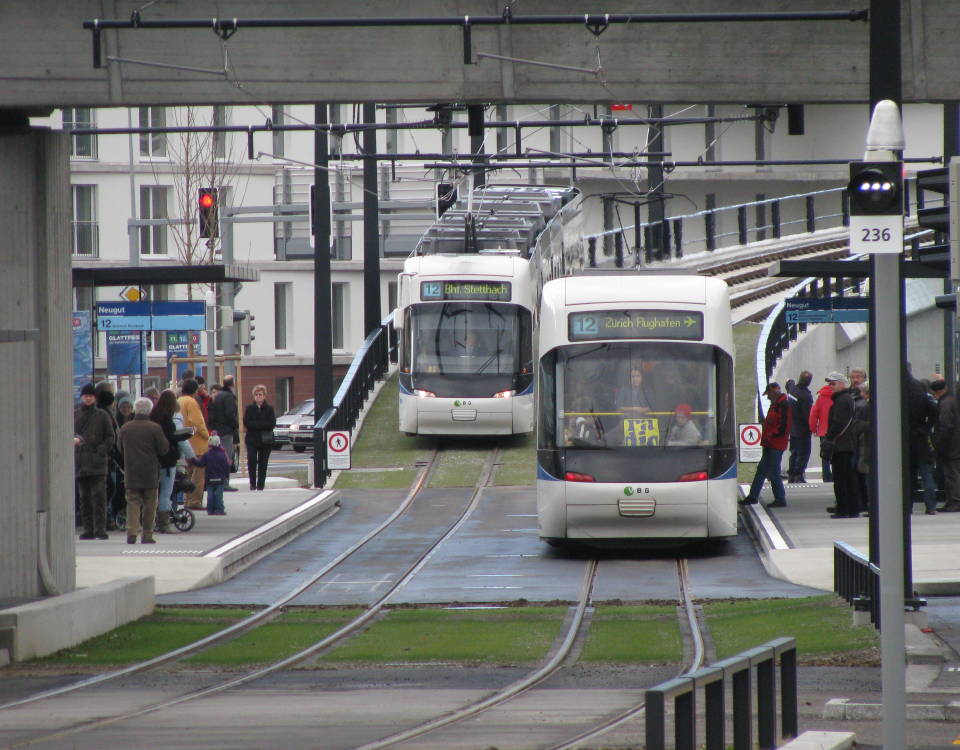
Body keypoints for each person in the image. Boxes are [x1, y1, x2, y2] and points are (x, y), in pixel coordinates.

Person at [118, 397, 169, 544]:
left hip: (131, 471)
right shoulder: (155, 428)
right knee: (150, 504)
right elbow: (163, 449)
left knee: (132, 502)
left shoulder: (125, 428)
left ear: (135, 409)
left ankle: (132, 531)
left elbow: (120, 448)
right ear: (150, 410)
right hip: (150, 472)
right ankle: (147, 534)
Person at [74, 382, 115, 540]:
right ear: (82, 397)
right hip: (81, 462)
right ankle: (88, 529)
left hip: (97, 464)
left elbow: (111, 436)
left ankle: (100, 529)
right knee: (84, 499)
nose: (88, 398)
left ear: (95, 398)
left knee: (99, 497)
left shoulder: (102, 415)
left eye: (91, 396)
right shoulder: (76, 414)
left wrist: (101, 451)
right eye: (86, 396)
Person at [742, 382, 791, 508]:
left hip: (775, 443)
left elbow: (784, 426)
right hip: (770, 443)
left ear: (773, 392)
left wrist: (771, 435)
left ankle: (780, 498)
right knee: (762, 469)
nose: (767, 397)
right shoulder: (777, 404)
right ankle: (753, 496)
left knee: (773, 470)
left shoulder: (783, 405)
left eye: (768, 394)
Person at [150, 389, 193, 533]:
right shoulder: (167, 419)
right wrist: (184, 436)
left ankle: (150, 520)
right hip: (167, 461)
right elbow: (171, 437)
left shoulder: (153, 416)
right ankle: (163, 523)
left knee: (152, 491)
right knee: (165, 493)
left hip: (153, 460)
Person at [824, 372, 861, 518]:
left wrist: (829, 437)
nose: (830, 387)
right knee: (849, 478)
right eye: (829, 384)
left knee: (841, 478)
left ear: (841, 383)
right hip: (848, 443)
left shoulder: (841, 400)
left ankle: (844, 509)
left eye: (833, 384)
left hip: (841, 444)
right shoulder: (848, 399)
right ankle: (852, 509)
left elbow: (838, 422)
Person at [906, 363, 939, 515]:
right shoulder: (919, 388)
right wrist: (925, 427)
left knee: (908, 475)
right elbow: (933, 410)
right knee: (926, 473)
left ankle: (908, 504)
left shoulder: (897, 388)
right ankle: (930, 505)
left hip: (906, 439)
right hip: (920, 436)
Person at [178, 379, 210, 509]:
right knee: (198, 475)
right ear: (195, 390)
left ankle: (187, 500)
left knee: (188, 475)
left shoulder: (179, 401)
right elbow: (197, 422)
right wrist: (206, 435)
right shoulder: (192, 402)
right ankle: (195, 501)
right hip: (196, 443)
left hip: (184, 442)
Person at [930, 379, 960, 512]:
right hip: (954, 443)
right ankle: (953, 501)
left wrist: (940, 444)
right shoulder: (951, 400)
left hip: (951, 445)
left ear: (936, 392)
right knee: (952, 473)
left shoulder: (945, 404)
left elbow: (945, 425)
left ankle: (955, 501)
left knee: (952, 474)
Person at [208, 374, 240, 492]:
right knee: (227, 457)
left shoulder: (218, 396)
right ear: (233, 384)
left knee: (217, 457)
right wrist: (235, 425)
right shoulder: (229, 397)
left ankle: (217, 481)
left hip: (216, 431)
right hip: (226, 431)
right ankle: (225, 482)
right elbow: (230, 414)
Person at [243, 384, 277, 491]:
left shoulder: (269, 409)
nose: (258, 396)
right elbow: (247, 423)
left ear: (264, 396)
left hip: (265, 440)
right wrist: (260, 425)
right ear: (254, 396)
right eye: (256, 394)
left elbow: (271, 424)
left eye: (260, 394)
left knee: (263, 463)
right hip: (252, 440)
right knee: (252, 461)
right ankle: (252, 484)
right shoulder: (249, 409)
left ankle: (260, 485)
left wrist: (257, 425)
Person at [191, 434, 231, 515]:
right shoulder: (222, 454)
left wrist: (193, 460)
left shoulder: (207, 455)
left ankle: (210, 510)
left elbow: (200, 464)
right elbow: (226, 466)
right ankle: (219, 509)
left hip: (209, 479)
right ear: (219, 443)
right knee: (219, 495)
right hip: (220, 479)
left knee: (210, 495)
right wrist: (226, 475)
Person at [787, 371, 814, 483]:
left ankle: (792, 475)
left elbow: (789, 384)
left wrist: (789, 381)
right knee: (803, 453)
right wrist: (811, 427)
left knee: (794, 452)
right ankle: (798, 475)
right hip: (803, 429)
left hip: (792, 428)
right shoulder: (806, 396)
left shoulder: (792, 390)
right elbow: (807, 415)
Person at [808, 376, 835, 482]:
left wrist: (814, 429)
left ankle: (826, 477)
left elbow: (813, 414)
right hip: (837, 431)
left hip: (823, 431)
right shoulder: (839, 395)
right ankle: (835, 476)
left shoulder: (820, 396)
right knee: (837, 455)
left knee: (825, 456)